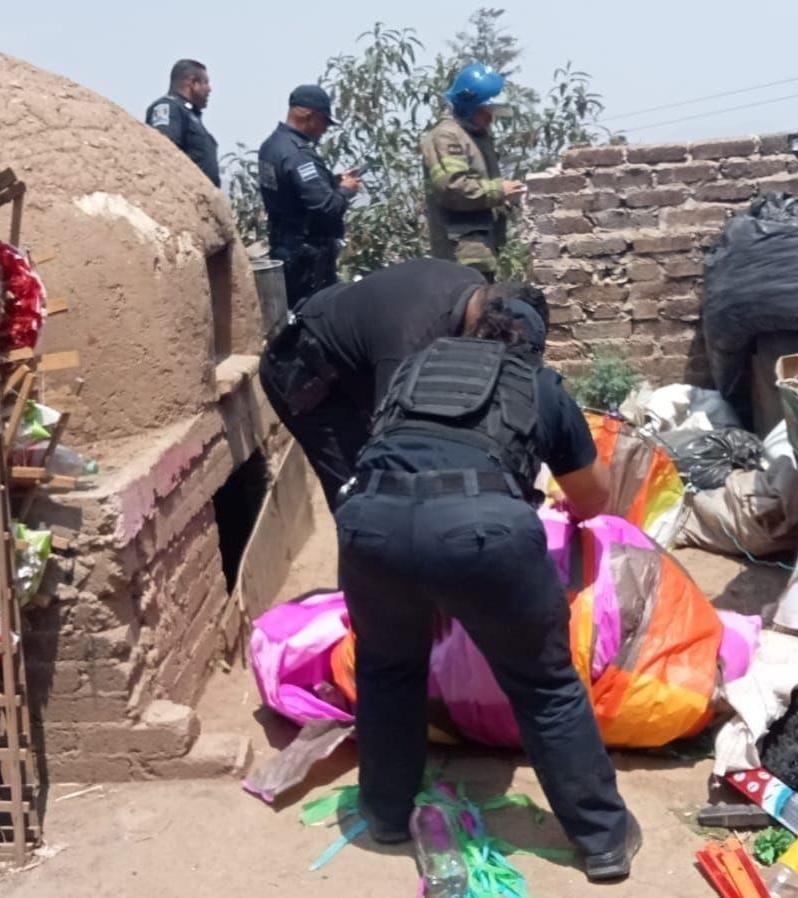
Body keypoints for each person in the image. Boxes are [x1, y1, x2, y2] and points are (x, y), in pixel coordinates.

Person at [335, 299, 641, 883]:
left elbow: (395, 446)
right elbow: (594, 500)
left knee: (387, 669)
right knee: (544, 686)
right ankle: (603, 839)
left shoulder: (412, 369)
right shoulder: (540, 386)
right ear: (535, 343)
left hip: (370, 523)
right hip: (481, 534)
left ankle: (387, 815)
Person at [258, 257, 548, 510]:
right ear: (493, 322)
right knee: (366, 495)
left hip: (355, 363)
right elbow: (396, 440)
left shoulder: (472, 288)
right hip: (306, 377)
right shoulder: (411, 342)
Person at [420, 62, 526, 281]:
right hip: (460, 254)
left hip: (481, 249)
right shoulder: (446, 137)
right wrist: (498, 191)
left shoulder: (477, 137)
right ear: (469, 106)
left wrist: (505, 199)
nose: (491, 117)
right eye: (486, 110)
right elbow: (452, 189)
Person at [257, 85, 360, 307]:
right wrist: (346, 190)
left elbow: (290, 192)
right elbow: (327, 208)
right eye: (324, 122)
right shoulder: (299, 155)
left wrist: (331, 181)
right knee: (319, 318)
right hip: (307, 261)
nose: (324, 130)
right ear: (310, 117)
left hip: (283, 246)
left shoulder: (271, 145)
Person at [146, 59, 220, 187]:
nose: (209, 89)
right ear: (192, 83)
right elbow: (164, 150)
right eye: (205, 83)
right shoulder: (168, 108)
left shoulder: (189, 113)